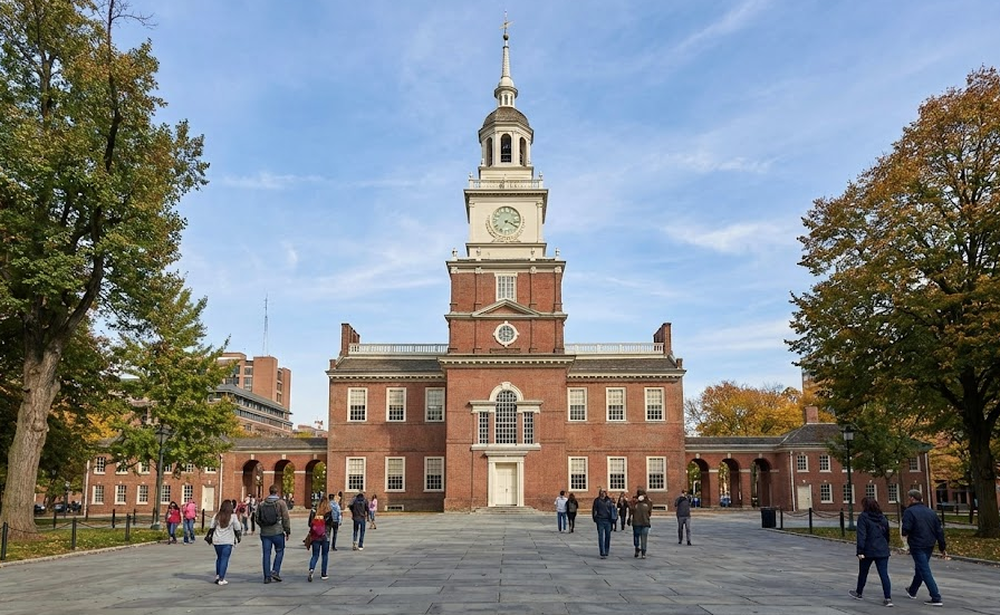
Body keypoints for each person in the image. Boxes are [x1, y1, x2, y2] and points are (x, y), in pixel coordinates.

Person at [901, 489, 946, 606]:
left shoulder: (909, 512)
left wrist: (905, 536)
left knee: (924, 570)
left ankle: (936, 596)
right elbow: (939, 530)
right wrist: (942, 546)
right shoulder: (931, 512)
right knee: (921, 567)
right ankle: (912, 590)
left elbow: (906, 529)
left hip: (917, 544)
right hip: (930, 544)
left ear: (911, 498)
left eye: (908, 497)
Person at [849, 496, 893, 607]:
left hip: (868, 549)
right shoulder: (883, 518)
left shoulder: (863, 517)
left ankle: (859, 592)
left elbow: (862, 535)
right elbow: (887, 534)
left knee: (863, 572)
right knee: (884, 574)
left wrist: (860, 551)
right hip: (882, 549)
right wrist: (885, 545)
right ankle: (888, 598)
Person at [256, 484, 291, 583]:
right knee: (280, 551)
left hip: (265, 533)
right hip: (278, 531)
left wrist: (263, 525)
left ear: (269, 491)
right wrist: (287, 530)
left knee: (266, 554)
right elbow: (286, 518)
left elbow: (256, 518)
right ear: (277, 492)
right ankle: (275, 571)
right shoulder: (281, 503)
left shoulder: (262, 503)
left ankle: (267, 577)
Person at [209, 499, 240, 586]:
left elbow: (211, 526)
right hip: (227, 541)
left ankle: (218, 575)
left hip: (217, 540)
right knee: (224, 559)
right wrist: (238, 536)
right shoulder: (232, 517)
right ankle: (221, 579)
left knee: (219, 558)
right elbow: (237, 527)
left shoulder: (216, 516)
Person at [306, 497, 332, 581]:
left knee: (315, 555)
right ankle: (323, 574)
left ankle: (311, 569)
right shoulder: (328, 512)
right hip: (325, 536)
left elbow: (310, 523)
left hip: (315, 536)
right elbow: (331, 523)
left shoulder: (314, 511)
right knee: (325, 555)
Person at [592, 489, 615, 558]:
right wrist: (595, 518)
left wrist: (613, 519)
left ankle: (606, 550)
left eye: (604, 492)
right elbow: (594, 510)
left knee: (608, 536)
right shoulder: (597, 500)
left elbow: (612, 510)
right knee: (601, 536)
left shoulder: (609, 500)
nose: (603, 493)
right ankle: (602, 551)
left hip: (608, 520)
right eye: (601, 492)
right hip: (600, 520)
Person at [630, 487, 653, 559]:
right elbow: (631, 509)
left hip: (644, 522)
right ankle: (638, 548)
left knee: (643, 538)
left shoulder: (648, 502)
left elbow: (649, 512)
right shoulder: (634, 501)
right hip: (637, 522)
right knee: (637, 537)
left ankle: (643, 551)